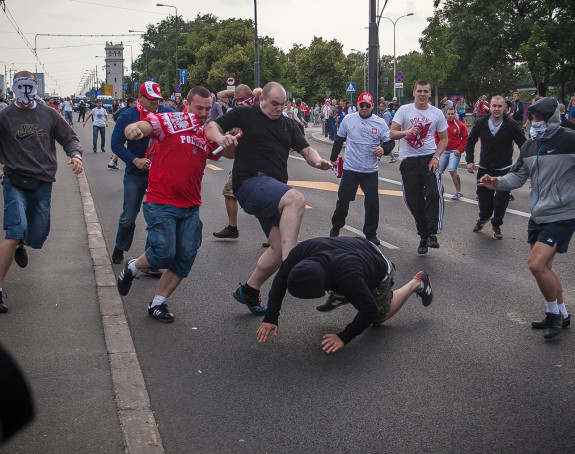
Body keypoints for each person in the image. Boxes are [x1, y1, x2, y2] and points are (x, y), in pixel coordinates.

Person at [205, 81, 333, 315]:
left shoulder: (288, 124)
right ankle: (291, 263)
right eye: (274, 104)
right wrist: (220, 138)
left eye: (283, 105)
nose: (279, 109)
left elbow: (306, 150)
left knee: (275, 247)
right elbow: (211, 126)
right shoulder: (244, 114)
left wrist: (317, 161)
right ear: (261, 99)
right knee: (295, 198)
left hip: (273, 189)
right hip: (250, 183)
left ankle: (249, 290)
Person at [116, 86, 226, 322]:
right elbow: (145, 126)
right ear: (186, 105)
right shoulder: (171, 120)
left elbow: (226, 154)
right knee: (163, 254)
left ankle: (158, 303)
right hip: (161, 202)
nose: (204, 112)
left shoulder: (206, 131)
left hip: (191, 206)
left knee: (185, 257)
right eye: (199, 107)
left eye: (208, 108)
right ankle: (133, 267)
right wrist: (133, 128)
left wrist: (229, 140)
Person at [477, 97, 575, 340]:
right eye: (532, 118)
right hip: (538, 213)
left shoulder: (569, 140)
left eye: (539, 118)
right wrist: (497, 182)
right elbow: (517, 177)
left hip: (563, 214)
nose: (535, 122)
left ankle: (553, 314)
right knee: (545, 269)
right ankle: (562, 312)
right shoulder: (530, 146)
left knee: (536, 264)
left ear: (552, 118)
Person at [255, 237, 434, 353]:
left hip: (378, 267)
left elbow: (369, 310)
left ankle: (416, 283)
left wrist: (343, 337)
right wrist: (271, 316)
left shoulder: (348, 278)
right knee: (346, 284)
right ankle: (344, 296)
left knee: (379, 317)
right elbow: (280, 279)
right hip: (355, 247)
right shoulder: (301, 251)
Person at [0, 71, 83, 313]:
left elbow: (69, 138)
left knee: (38, 233)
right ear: (14, 89)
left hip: (42, 180)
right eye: (20, 87)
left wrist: (76, 156)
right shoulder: (5, 116)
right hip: (14, 179)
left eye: (29, 87)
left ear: (36, 88)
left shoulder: (49, 114)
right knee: (14, 229)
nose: (25, 92)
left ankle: (21, 243)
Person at [110, 81, 173, 272]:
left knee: (156, 218)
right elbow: (116, 144)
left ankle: (150, 260)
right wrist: (134, 160)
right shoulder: (128, 115)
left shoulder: (165, 113)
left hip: (159, 173)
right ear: (141, 99)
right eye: (152, 100)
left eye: (158, 99)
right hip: (136, 172)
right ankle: (120, 246)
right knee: (128, 217)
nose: (156, 103)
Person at [390, 80, 448, 254]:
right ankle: (423, 235)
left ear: (430, 94)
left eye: (426, 91)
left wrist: (436, 157)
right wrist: (407, 132)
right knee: (413, 201)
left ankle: (432, 233)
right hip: (409, 161)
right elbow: (392, 133)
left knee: (434, 193)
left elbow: (444, 139)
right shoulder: (404, 111)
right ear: (414, 92)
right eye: (419, 91)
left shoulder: (436, 113)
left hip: (428, 159)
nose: (422, 94)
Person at [329, 92, 393, 245]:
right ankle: (336, 226)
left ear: (372, 106)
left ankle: (370, 233)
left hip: (370, 170)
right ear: (357, 105)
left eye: (367, 106)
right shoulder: (349, 119)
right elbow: (339, 140)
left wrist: (383, 149)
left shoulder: (380, 123)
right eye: (362, 105)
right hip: (351, 168)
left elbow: (390, 143)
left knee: (372, 203)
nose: (364, 108)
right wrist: (333, 159)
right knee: (343, 200)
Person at [465, 95, 526, 239]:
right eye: (494, 106)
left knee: (501, 202)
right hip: (485, 168)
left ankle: (496, 225)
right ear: (489, 107)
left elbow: (524, 145)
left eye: (500, 106)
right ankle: (483, 218)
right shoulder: (481, 123)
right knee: (484, 202)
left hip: (504, 170)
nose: (497, 109)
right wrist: (470, 160)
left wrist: (520, 165)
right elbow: (471, 141)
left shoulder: (511, 125)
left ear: (505, 108)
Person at [212, 83, 262, 240]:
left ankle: (275, 234)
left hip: (262, 158)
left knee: (269, 197)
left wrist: (251, 93)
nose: (239, 101)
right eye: (237, 99)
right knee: (229, 192)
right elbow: (220, 94)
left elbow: (259, 91)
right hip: (243, 158)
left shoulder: (258, 105)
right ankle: (232, 227)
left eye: (242, 98)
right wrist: (236, 92)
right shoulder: (236, 106)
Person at [437, 107, 468, 200]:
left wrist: (460, 149)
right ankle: (438, 189)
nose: (450, 116)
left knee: (452, 170)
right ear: (446, 115)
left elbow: (465, 138)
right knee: (438, 172)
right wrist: (438, 148)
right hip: (444, 151)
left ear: (455, 114)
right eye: (448, 114)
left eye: (452, 114)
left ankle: (458, 191)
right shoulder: (442, 125)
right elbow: (437, 136)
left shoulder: (460, 125)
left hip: (454, 152)